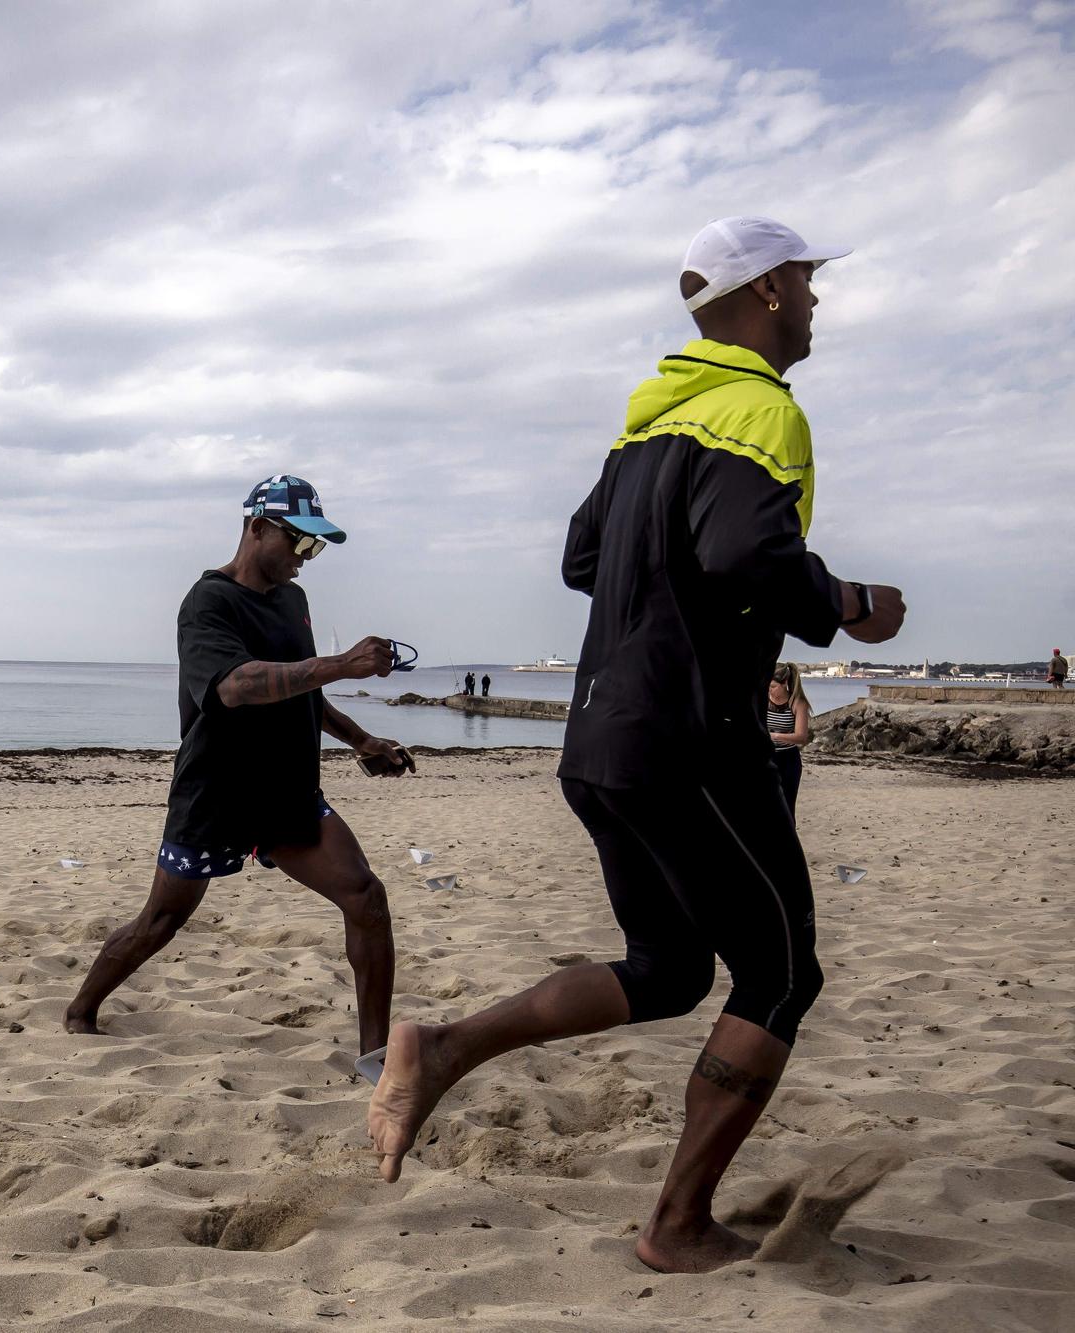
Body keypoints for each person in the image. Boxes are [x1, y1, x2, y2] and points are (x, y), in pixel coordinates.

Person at [367, 217, 908, 1273]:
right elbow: (744, 547)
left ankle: (442, 1047)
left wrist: (661, 575)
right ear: (765, 291)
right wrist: (842, 601)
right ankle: (674, 1224)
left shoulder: (645, 425)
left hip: (599, 742)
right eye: (805, 281)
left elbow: (581, 557)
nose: (814, 301)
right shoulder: (760, 408)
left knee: (666, 971)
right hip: (692, 743)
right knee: (780, 976)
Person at [65, 475, 414, 1056]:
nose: (308, 558)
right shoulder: (208, 603)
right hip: (216, 794)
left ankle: (375, 1060)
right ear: (257, 528)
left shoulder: (293, 599)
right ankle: (82, 1011)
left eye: (316, 546)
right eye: (300, 542)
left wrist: (361, 739)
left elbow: (301, 689)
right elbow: (234, 687)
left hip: (286, 793)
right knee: (161, 922)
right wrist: (340, 663)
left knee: (366, 898)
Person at [766, 662, 811, 811]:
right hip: (765, 758)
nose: (770, 690)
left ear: (784, 683)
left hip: (788, 760)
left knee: (786, 808)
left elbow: (801, 737)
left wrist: (775, 736)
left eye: (773, 687)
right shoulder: (763, 700)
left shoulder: (797, 703)